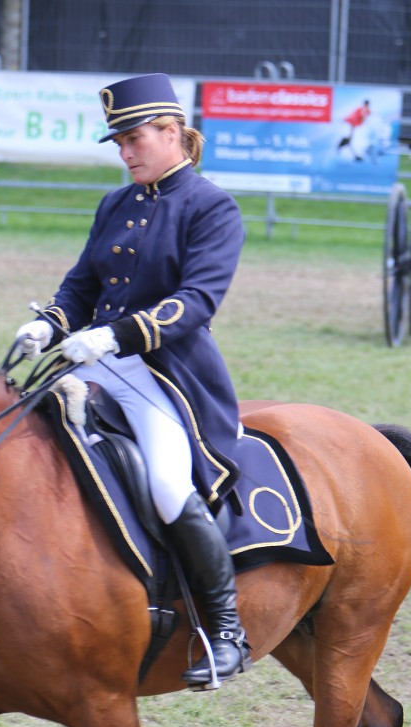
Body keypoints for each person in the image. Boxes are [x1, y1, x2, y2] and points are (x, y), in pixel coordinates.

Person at [15, 72, 250, 689]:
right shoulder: (116, 204)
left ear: (172, 133)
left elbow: (197, 300)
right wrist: (48, 324)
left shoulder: (211, 207)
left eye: (134, 138)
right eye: (118, 142)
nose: (124, 152)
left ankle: (226, 630)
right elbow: (82, 286)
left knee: (170, 488)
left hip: (165, 375)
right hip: (92, 363)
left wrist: (115, 336)